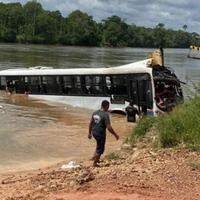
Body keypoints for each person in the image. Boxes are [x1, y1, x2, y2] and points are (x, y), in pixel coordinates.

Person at [88, 100, 119, 167]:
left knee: (98, 144)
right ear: (107, 106)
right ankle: (95, 163)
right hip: (100, 133)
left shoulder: (95, 112)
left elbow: (90, 123)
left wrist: (89, 133)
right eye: (108, 106)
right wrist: (115, 134)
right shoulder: (105, 115)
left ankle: (94, 157)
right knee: (101, 148)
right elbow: (109, 127)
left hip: (94, 132)